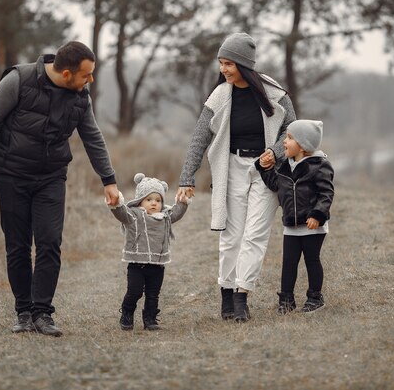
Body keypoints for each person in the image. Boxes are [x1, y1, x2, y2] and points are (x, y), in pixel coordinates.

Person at [0, 41, 120, 336]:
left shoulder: (80, 98)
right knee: (18, 245)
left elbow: (93, 138)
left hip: (51, 177)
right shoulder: (19, 80)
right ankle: (23, 312)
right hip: (10, 174)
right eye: (86, 75)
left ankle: (43, 313)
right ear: (66, 74)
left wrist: (109, 180)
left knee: (50, 242)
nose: (90, 81)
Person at [176, 32, 296, 322]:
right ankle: (227, 295)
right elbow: (199, 139)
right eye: (221, 62)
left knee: (255, 235)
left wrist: (276, 152)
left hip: (265, 172)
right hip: (231, 169)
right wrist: (186, 177)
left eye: (229, 63)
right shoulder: (219, 96)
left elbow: (292, 129)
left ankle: (242, 296)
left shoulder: (274, 93)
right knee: (232, 236)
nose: (223, 69)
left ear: (244, 64)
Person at [255, 119, 334, 314]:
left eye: (289, 138)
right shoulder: (284, 166)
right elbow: (275, 185)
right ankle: (286, 299)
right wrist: (264, 168)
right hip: (291, 225)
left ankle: (315, 297)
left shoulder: (319, 165)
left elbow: (326, 194)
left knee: (311, 260)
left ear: (303, 144)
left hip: (312, 226)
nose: (284, 142)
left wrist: (317, 214)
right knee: (289, 262)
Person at [109, 173, 189, 331]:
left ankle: (150, 319)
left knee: (153, 295)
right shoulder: (134, 216)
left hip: (157, 265)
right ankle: (127, 312)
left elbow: (177, 213)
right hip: (137, 265)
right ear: (140, 200)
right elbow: (121, 214)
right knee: (135, 292)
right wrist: (117, 203)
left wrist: (183, 202)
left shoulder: (165, 216)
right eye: (149, 199)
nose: (154, 203)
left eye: (158, 200)